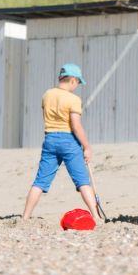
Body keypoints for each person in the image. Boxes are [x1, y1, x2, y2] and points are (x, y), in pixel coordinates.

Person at [22, 63, 102, 224]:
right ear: (73, 80)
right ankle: (96, 215)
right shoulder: (73, 99)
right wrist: (86, 146)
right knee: (82, 181)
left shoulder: (47, 95)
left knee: (40, 181)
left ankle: (25, 217)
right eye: (78, 83)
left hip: (50, 139)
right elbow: (76, 125)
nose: (77, 86)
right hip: (69, 141)